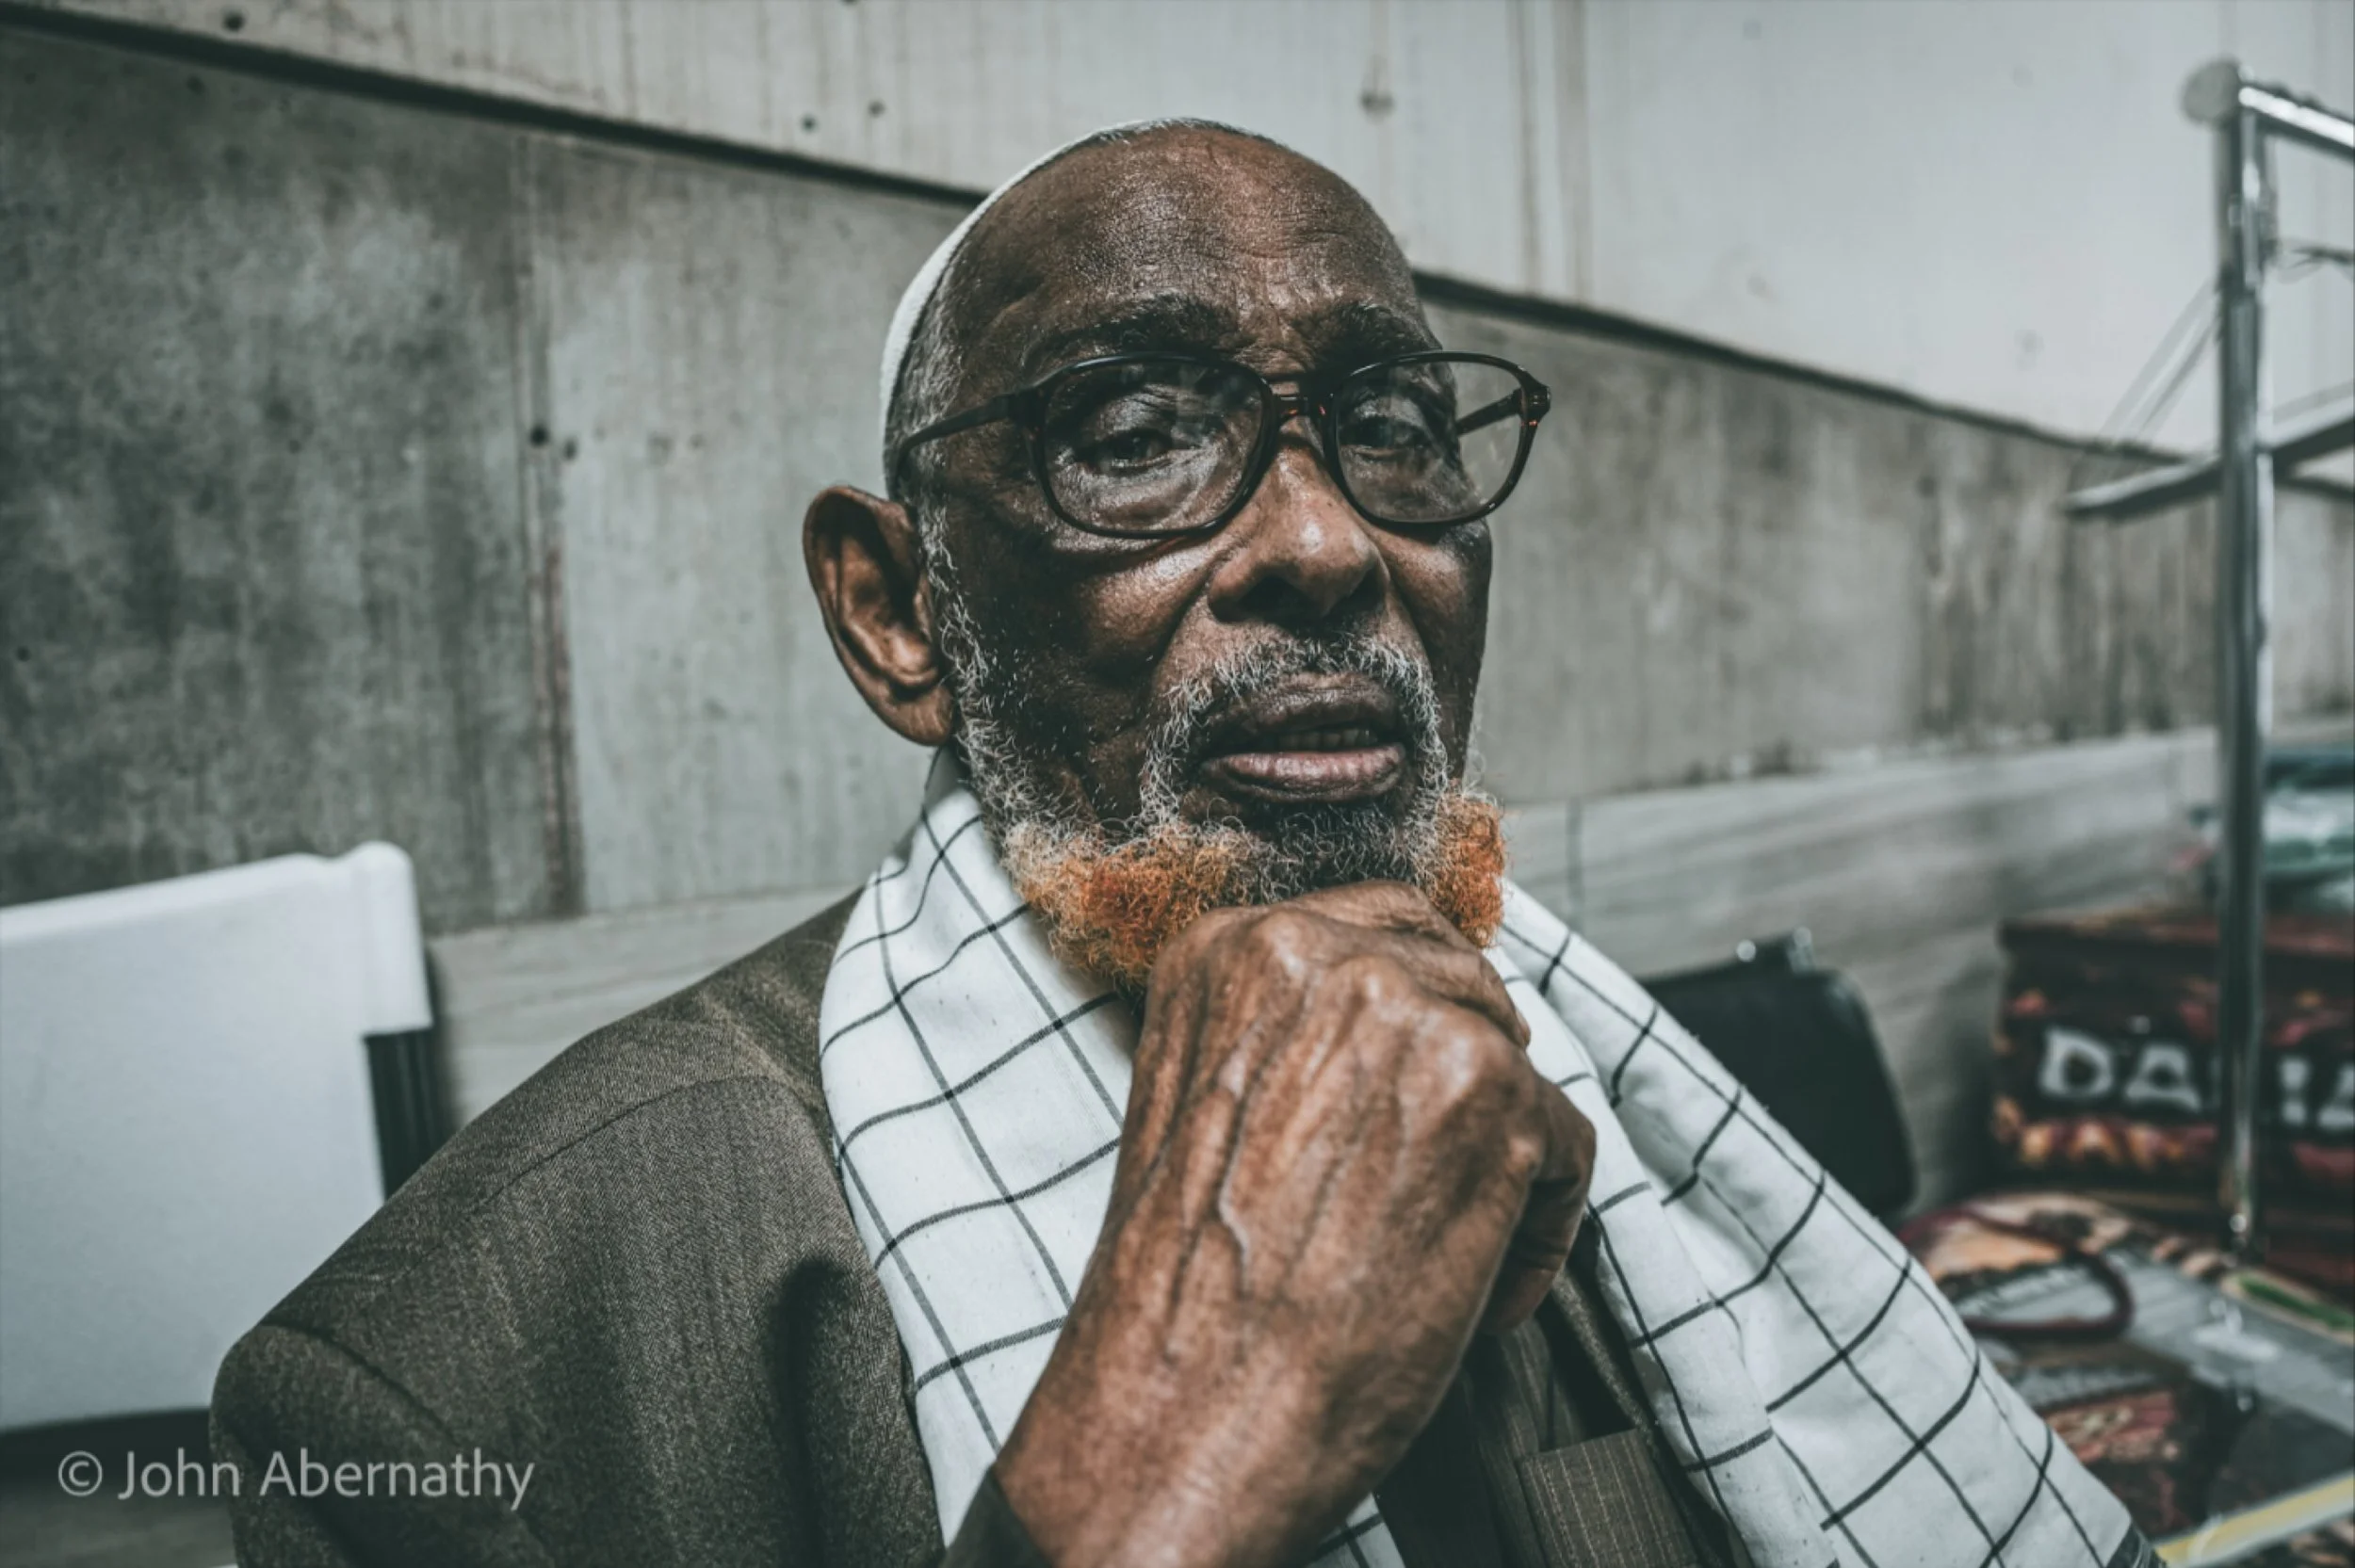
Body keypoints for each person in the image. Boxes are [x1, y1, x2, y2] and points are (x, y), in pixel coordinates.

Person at [214, 120, 2151, 1568]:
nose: (1324, 544)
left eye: (1390, 424)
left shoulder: (1570, 1067)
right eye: (1134, 429)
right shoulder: (462, 1374)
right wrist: (1155, 1476)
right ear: (897, 615)